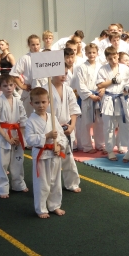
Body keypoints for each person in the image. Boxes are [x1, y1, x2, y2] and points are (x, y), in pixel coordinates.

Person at [24, 87, 67, 218]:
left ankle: (55, 205)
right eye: (37, 102)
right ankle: (41, 208)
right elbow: (29, 140)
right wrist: (46, 136)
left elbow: (61, 135)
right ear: (31, 104)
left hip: (54, 153)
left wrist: (59, 145)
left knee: (55, 182)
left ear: (49, 102)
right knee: (42, 183)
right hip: (41, 155)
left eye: (43, 102)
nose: (41, 105)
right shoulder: (30, 121)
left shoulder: (52, 118)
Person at [0, 74, 28, 198]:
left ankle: (18, 184)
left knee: (18, 161)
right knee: (1, 164)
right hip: (2, 136)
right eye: (5, 86)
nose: (9, 88)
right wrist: (7, 138)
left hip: (16, 134)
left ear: (15, 86)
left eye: (11, 85)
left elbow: (23, 121)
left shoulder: (18, 102)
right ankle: (2, 188)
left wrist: (20, 137)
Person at [48, 60, 82, 192]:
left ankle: (72, 183)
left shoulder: (68, 89)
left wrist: (72, 126)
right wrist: (55, 127)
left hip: (66, 128)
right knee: (53, 159)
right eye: (61, 73)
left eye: (66, 73)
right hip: (51, 129)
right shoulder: (45, 89)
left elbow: (74, 109)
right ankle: (51, 185)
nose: (64, 76)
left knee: (68, 157)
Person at [96, 46, 129, 161]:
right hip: (109, 99)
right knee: (109, 126)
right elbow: (99, 85)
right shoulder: (103, 69)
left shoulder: (124, 68)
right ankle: (110, 150)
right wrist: (112, 81)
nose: (113, 60)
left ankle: (121, 144)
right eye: (110, 59)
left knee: (124, 124)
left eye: (115, 57)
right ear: (107, 59)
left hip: (121, 98)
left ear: (118, 56)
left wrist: (127, 88)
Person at [74, 43, 104, 153]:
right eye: (89, 52)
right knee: (86, 123)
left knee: (100, 122)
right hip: (87, 98)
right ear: (85, 53)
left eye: (94, 52)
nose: (92, 54)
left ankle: (100, 145)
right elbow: (80, 85)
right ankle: (87, 146)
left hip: (99, 96)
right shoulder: (81, 67)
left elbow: (105, 81)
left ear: (97, 53)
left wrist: (103, 90)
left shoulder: (101, 66)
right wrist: (91, 96)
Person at [10, 34, 46, 117]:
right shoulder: (25, 58)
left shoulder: (45, 56)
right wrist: (22, 86)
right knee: (29, 116)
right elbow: (14, 74)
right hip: (31, 92)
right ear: (29, 45)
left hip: (45, 90)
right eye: (33, 45)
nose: (35, 47)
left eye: (37, 44)